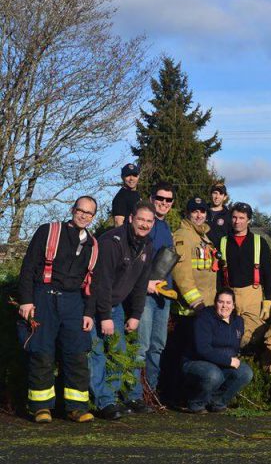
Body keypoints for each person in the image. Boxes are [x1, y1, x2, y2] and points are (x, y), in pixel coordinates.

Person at [17, 196, 100, 423]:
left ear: (93, 217)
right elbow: (28, 267)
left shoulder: (93, 245)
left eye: (89, 213)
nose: (84, 215)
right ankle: (41, 407)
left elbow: (93, 283)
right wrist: (26, 300)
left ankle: (77, 407)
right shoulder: (49, 231)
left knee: (76, 355)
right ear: (72, 210)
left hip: (74, 302)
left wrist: (88, 313)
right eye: (80, 210)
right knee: (42, 352)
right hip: (45, 296)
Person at [90, 202, 155, 420]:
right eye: (141, 219)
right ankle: (104, 402)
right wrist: (106, 316)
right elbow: (102, 283)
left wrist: (136, 314)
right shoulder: (112, 242)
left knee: (119, 351)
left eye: (149, 221)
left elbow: (140, 283)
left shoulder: (147, 246)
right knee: (97, 353)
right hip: (96, 305)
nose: (144, 224)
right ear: (130, 218)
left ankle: (120, 397)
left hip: (116, 305)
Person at [161, 196, 219, 407]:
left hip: (205, 309)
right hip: (189, 312)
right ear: (187, 213)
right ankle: (174, 397)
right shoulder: (183, 237)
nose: (198, 214)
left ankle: (188, 396)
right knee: (181, 357)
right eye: (194, 211)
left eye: (202, 211)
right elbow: (182, 274)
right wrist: (197, 303)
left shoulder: (203, 237)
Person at [125, 181, 175, 413]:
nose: (163, 203)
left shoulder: (165, 228)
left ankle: (150, 394)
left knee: (157, 347)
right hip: (144, 296)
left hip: (163, 297)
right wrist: (145, 284)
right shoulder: (144, 226)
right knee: (141, 347)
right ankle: (134, 395)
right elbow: (131, 263)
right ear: (152, 198)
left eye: (168, 200)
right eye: (160, 198)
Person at [182, 288, 253, 414]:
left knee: (245, 372)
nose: (224, 306)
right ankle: (195, 403)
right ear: (215, 303)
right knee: (214, 375)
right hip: (196, 362)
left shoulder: (238, 322)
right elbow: (202, 350)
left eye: (228, 302)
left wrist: (231, 359)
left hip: (221, 363)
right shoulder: (204, 318)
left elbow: (234, 347)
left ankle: (217, 402)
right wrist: (228, 360)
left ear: (233, 305)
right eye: (221, 302)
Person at [219, 202, 271, 349]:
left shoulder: (259, 242)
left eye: (242, 218)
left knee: (254, 336)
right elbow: (218, 273)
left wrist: (268, 301)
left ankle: (251, 368)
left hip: (253, 295)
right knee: (227, 335)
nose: (237, 221)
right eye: (235, 217)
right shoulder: (223, 242)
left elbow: (268, 273)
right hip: (229, 295)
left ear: (249, 220)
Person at [111, 163, 141, 227]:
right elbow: (118, 223)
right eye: (128, 175)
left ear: (138, 176)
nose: (131, 178)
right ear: (122, 177)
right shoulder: (120, 197)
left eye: (134, 175)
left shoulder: (136, 194)